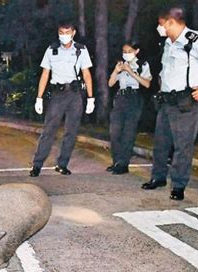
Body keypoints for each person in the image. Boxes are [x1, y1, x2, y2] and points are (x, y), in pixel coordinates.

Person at [141, 7, 198, 200]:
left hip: (186, 100)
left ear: (171, 22)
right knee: (161, 144)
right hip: (166, 101)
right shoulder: (168, 43)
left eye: (161, 24)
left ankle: (178, 186)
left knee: (182, 146)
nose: (159, 28)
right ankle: (158, 178)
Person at [29, 21, 95, 177]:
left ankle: (62, 164)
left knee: (71, 132)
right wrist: (39, 97)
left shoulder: (81, 50)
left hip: (75, 94)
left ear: (73, 33)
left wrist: (91, 98)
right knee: (48, 131)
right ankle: (37, 165)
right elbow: (45, 74)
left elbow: (86, 74)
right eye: (61, 33)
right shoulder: (52, 50)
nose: (64, 36)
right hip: (58, 95)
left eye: (67, 32)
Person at [107, 41, 152, 174]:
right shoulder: (121, 64)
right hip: (120, 97)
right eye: (124, 52)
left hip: (134, 98)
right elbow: (110, 83)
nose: (126, 54)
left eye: (129, 51)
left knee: (128, 132)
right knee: (115, 131)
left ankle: (123, 164)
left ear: (136, 51)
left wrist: (131, 72)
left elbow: (147, 84)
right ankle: (116, 161)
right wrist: (116, 71)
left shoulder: (142, 65)